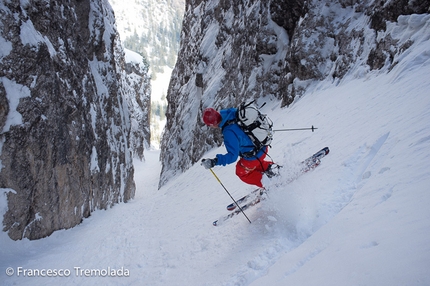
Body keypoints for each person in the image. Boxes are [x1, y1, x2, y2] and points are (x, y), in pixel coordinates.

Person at [201, 107, 278, 188]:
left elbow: (232, 156)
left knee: (241, 172)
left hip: (255, 154)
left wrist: (214, 161)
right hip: (263, 145)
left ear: (213, 124)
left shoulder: (228, 132)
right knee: (250, 165)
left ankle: (269, 184)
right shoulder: (232, 113)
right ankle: (274, 170)